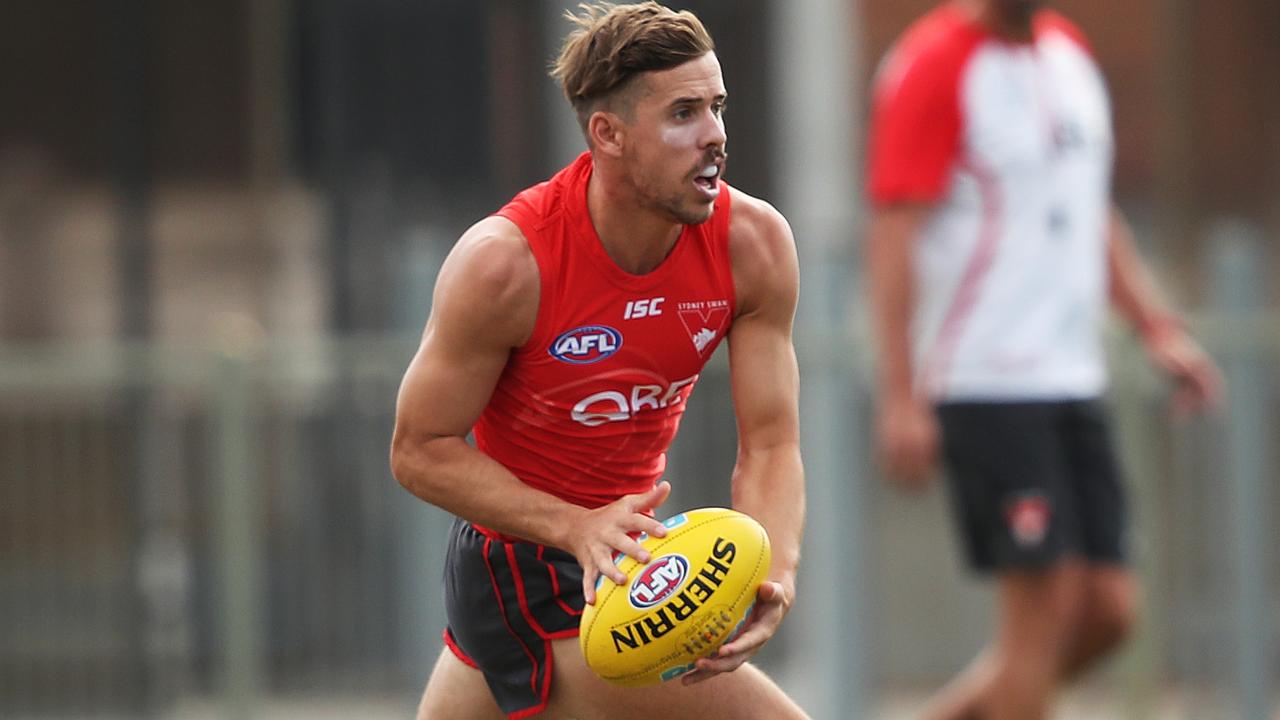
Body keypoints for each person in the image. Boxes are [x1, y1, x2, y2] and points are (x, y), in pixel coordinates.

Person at [390, 3, 808, 719]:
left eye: (717, 107)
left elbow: (771, 441)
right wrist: (576, 527)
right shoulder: (506, 265)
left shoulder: (754, 244)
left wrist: (769, 576)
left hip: (622, 563)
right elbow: (418, 450)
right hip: (523, 572)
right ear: (607, 134)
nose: (714, 136)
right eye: (683, 114)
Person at [864, 1, 1222, 718]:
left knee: (1110, 610)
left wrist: (1154, 328)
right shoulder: (933, 64)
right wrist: (900, 396)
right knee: (1041, 609)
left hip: (1073, 374)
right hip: (985, 377)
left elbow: (1090, 211)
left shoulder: (1069, 54)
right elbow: (894, 235)